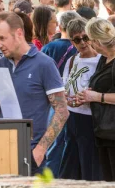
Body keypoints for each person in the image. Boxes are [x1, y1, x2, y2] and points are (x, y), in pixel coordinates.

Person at [0, 12, 68, 175]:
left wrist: (40, 150)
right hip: (1, 150)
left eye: (2, 38)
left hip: (31, 155)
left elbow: (62, 111)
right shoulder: (1, 63)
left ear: (19, 34)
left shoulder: (44, 64)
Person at [59, 18, 102, 181]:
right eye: (77, 40)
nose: (83, 43)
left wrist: (90, 96)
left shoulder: (101, 60)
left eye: (85, 37)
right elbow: (64, 85)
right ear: (72, 41)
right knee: (69, 167)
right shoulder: (71, 60)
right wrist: (66, 98)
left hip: (90, 119)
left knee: (90, 166)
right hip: (72, 117)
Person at [41, 10, 79, 177]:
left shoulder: (49, 47)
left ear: (61, 26)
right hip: (73, 102)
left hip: (51, 102)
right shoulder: (77, 48)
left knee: (53, 145)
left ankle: (50, 179)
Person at [76, 18, 115, 181]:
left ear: (98, 41)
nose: (89, 43)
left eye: (90, 40)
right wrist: (86, 95)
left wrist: (97, 96)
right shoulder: (103, 58)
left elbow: (100, 94)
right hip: (103, 130)